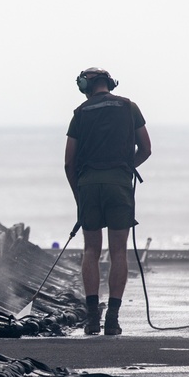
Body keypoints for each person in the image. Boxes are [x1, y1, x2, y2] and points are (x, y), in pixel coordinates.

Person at [64, 68, 151, 335]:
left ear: (85, 86)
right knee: (118, 251)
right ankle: (112, 319)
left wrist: (79, 196)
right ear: (109, 84)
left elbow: (69, 162)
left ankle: (92, 320)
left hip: (88, 185)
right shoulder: (129, 107)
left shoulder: (80, 113)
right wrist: (125, 168)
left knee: (91, 249)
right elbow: (146, 149)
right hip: (119, 186)